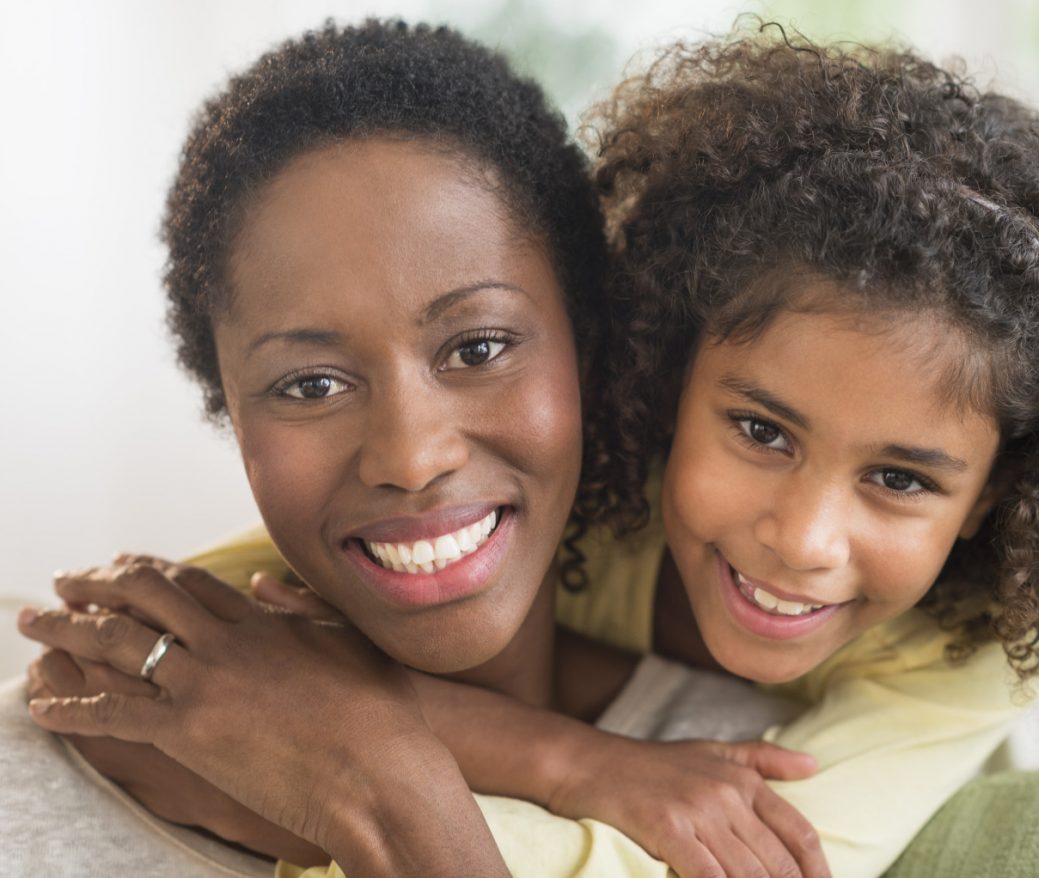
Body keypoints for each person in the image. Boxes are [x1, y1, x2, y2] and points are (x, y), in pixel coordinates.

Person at [20, 20, 1039, 878]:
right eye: (760, 429)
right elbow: (182, 655)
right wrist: (558, 758)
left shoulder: (938, 674)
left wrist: (373, 777)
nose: (800, 533)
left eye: (900, 476)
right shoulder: (593, 509)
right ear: (657, 379)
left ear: (994, 495)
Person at [9, 18, 828, 878]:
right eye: (312, 384)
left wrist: (381, 780)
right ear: (230, 412)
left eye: (477, 349)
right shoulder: (51, 764)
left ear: (590, 352)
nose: (410, 455)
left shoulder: (761, 786)